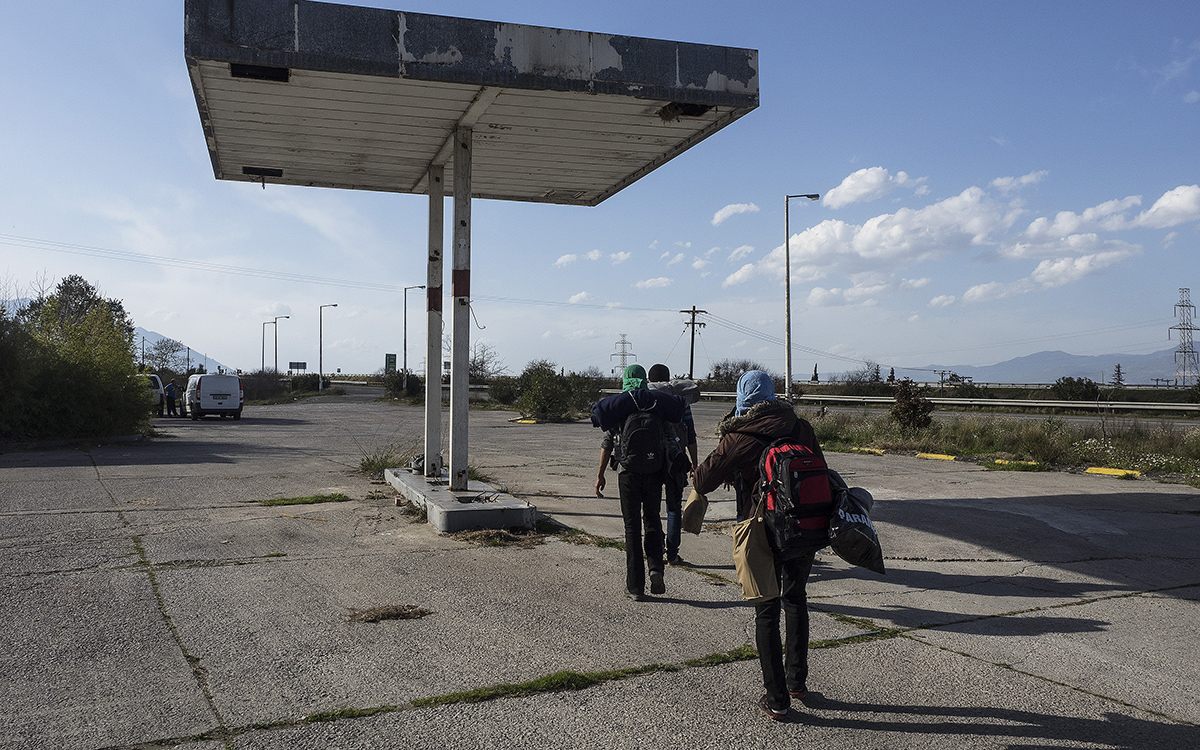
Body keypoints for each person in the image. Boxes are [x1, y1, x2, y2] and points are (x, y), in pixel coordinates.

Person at [692, 370, 827, 721]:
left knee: (767, 610)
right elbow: (821, 472)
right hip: (803, 527)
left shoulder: (740, 434)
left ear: (742, 398)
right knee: (796, 600)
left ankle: (777, 698)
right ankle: (797, 682)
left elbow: (704, 480)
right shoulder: (800, 427)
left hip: (761, 528)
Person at [595, 364, 681, 601]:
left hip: (627, 473)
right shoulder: (657, 405)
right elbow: (671, 439)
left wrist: (600, 474)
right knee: (652, 520)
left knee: (632, 528)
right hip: (654, 471)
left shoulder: (620, 408)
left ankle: (635, 586)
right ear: (644, 381)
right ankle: (656, 568)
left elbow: (607, 443)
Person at [646, 363, 698, 566]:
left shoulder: (645, 400)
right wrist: (694, 463)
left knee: (651, 507)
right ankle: (673, 555)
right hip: (675, 460)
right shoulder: (681, 402)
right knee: (674, 507)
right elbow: (691, 434)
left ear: (649, 380)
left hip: (650, 459)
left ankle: (657, 545)